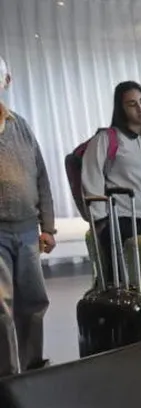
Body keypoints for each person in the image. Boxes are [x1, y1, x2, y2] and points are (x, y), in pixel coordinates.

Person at [0, 54, 53, 375]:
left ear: (6, 81)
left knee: (34, 302)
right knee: (1, 307)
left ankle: (33, 368)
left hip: (27, 230)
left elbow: (41, 177)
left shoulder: (22, 126)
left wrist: (48, 227)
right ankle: (7, 375)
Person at [81, 81, 141, 280]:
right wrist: (100, 222)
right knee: (125, 283)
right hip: (123, 222)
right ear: (121, 109)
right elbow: (91, 177)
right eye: (132, 104)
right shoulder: (107, 139)